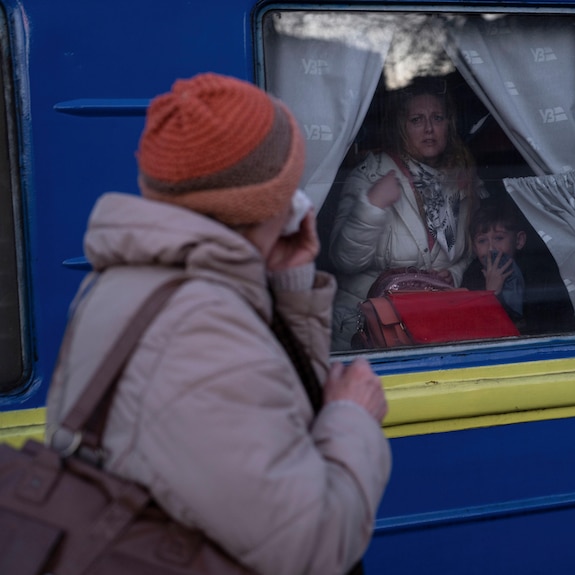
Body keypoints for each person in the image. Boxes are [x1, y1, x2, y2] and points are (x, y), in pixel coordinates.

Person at [44, 73, 391, 575]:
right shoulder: (201, 328)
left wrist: (289, 286)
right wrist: (352, 417)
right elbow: (310, 547)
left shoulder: (137, 283)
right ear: (273, 199)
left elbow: (275, 420)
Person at [328, 77, 487, 350]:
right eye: (416, 120)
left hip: (432, 327)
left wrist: (455, 272)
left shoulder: (461, 177)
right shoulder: (372, 175)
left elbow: (475, 242)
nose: (428, 129)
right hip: (367, 330)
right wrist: (372, 206)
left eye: (437, 117)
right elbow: (344, 260)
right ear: (400, 127)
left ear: (449, 123)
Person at [461, 198, 575, 335]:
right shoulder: (473, 276)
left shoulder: (538, 273)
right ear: (474, 247)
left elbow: (548, 324)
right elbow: (474, 328)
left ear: (519, 241)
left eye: (499, 238)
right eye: (482, 241)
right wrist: (491, 294)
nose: (491, 248)